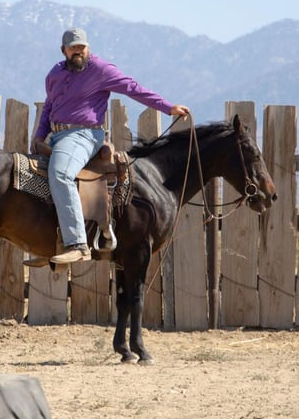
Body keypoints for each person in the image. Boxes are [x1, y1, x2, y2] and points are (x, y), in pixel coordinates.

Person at [31, 27, 191, 264]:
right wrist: (39, 136)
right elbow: (48, 107)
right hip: (56, 137)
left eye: (81, 47)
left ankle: (77, 244)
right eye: (73, 47)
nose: (78, 51)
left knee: (61, 174)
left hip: (84, 135)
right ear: (63, 50)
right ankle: (50, 242)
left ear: (88, 47)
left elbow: (133, 88)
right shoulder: (54, 73)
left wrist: (168, 107)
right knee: (31, 180)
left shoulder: (102, 70)